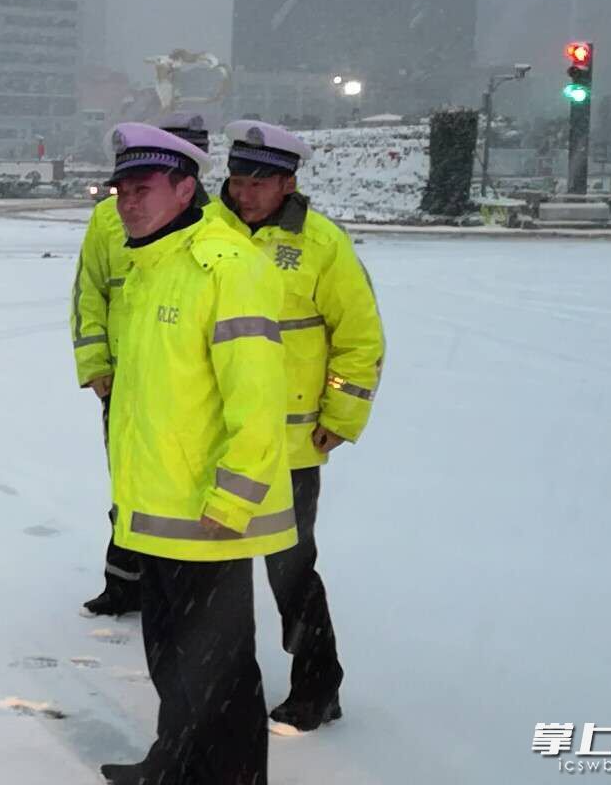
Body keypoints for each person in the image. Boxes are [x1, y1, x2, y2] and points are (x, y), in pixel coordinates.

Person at [96, 123, 293, 785]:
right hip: (157, 506)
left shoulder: (226, 268)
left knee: (222, 673)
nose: (128, 202)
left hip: (207, 515)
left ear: (186, 190)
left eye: (143, 188)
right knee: (171, 658)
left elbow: (257, 401)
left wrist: (233, 497)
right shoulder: (150, 266)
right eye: (121, 190)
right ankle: (173, 766)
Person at [213, 120, 385, 734]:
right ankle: (217, 685)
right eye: (237, 180)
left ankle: (317, 687)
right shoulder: (206, 233)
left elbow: (359, 339)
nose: (244, 193)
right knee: (213, 570)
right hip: (217, 437)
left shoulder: (322, 245)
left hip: (290, 444)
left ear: (288, 183)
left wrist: (340, 415)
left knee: (290, 569)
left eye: (258, 183)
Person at [70, 112, 218, 618]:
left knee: (178, 489)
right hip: (123, 381)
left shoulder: (217, 223)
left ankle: (175, 591)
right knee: (128, 482)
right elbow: (89, 293)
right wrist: (95, 363)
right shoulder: (108, 219)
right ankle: (124, 583)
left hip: (182, 384)